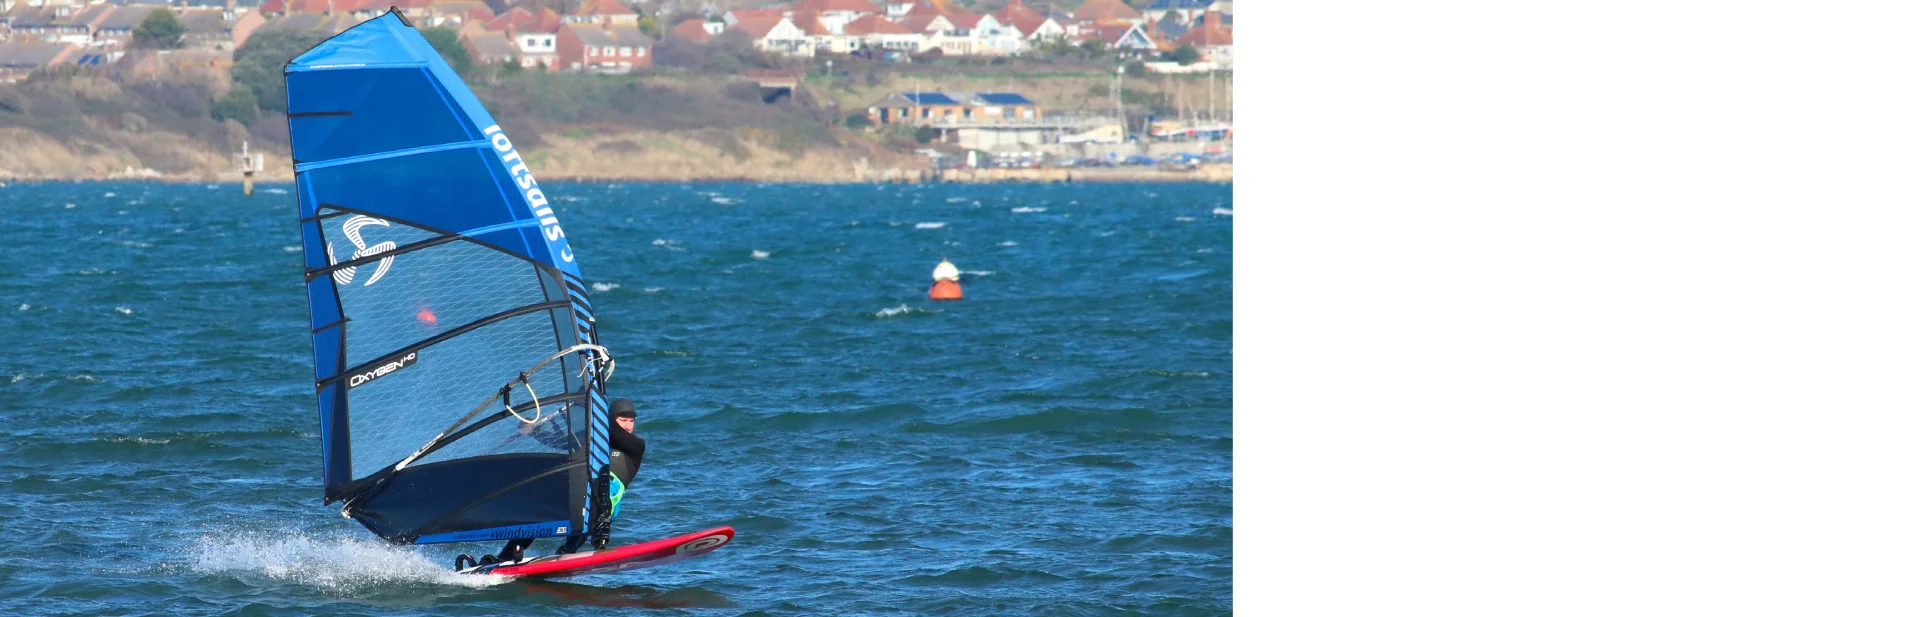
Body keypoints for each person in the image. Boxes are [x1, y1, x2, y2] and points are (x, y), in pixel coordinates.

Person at [494, 398, 646, 562]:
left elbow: (615, 432)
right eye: (623, 420)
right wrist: (534, 432)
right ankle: (506, 556)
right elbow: (560, 441)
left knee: (592, 493)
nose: (628, 426)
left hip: (607, 499)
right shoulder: (593, 439)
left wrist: (590, 407)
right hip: (581, 489)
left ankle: (571, 548)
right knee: (539, 506)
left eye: (631, 421)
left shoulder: (636, 444)